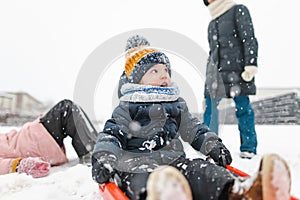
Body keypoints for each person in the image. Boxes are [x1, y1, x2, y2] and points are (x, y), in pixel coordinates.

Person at [91, 41, 291, 199]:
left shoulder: (176, 104)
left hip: (176, 165)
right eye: (155, 71)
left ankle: (240, 192)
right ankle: (160, 197)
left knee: (201, 169)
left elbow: (194, 129)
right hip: (137, 167)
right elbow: (110, 136)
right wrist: (104, 158)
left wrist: (211, 144)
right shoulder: (126, 108)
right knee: (145, 181)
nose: (164, 76)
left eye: (166, 71)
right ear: (137, 79)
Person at [202, 0, 259, 159]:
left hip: (236, 69)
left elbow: (249, 39)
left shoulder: (237, 10)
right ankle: (209, 146)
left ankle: (248, 148)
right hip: (216, 73)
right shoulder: (212, 22)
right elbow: (212, 51)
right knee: (210, 108)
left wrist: (250, 64)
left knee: (243, 107)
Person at [0, 99, 98, 178]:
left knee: (69, 110)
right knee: (67, 109)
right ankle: (95, 154)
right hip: (32, 142)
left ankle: (99, 147)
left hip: (32, 138)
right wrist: (18, 164)